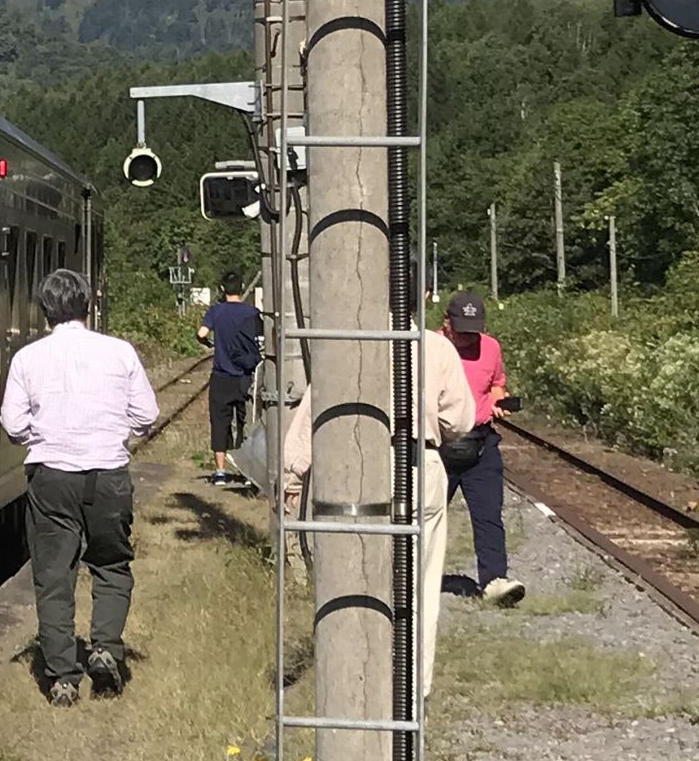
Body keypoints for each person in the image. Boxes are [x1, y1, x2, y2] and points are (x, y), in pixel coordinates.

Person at [280, 321, 477, 695]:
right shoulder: (436, 347)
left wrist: (293, 477)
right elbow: (461, 420)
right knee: (419, 584)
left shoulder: (348, 341)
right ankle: (413, 685)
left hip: (358, 465)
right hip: (421, 461)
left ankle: (359, 680)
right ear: (423, 291)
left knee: (358, 578)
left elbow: (312, 414)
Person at [0, 265, 161, 706]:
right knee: (110, 564)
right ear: (88, 305)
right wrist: (114, 431)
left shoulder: (27, 359)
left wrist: (45, 434)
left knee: (54, 577)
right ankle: (106, 649)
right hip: (107, 474)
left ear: (44, 310)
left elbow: (12, 424)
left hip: (51, 478)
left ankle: (63, 676)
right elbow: (147, 415)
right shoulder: (120, 352)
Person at [441, 290, 524, 606]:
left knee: (489, 515)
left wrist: (499, 401)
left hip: (481, 444)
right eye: (461, 329)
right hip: (439, 443)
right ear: (446, 323)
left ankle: (494, 582)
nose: (467, 337)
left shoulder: (490, 348)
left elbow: (496, 383)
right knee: (424, 515)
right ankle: (408, 576)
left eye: (473, 330)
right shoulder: (429, 347)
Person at [202, 283, 266, 485]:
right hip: (246, 377)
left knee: (219, 422)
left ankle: (220, 471)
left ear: (222, 288)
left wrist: (208, 344)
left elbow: (202, 333)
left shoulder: (216, 311)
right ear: (242, 287)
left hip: (221, 375)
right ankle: (248, 473)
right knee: (247, 423)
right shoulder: (252, 312)